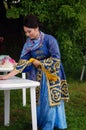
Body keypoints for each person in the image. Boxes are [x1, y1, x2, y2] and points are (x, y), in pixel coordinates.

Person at [0, 14, 69, 130]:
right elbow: (23, 62)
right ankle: (39, 123)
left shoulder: (50, 40)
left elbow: (57, 59)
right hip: (37, 76)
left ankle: (50, 125)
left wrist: (41, 63)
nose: (27, 34)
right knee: (39, 101)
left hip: (51, 75)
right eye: (25, 32)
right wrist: (8, 75)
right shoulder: (28, 44)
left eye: (29, 31)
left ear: (37, 28)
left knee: (49, 101)